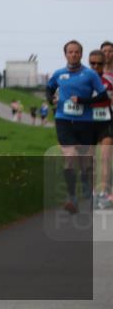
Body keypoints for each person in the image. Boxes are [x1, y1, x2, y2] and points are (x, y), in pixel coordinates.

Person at [46, 40, 109, 213]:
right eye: (70, 52)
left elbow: (103, 97)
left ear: (81, 55)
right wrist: (51, 101)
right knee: (70, 156)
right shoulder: (59, 73)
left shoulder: (90, 75)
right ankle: (72, 197)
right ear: (65, 54)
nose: (73, 55)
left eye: (76, 52)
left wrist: (83, 101)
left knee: (86, 161)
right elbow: (49, 88)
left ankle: (87, 186)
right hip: (63, 120)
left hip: (85, 122)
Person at [88, 48, 113, 209]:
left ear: (104, 65)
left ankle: (103, 192)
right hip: (88, 124)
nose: (96, 66)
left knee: (105, 158)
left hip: (106, 123)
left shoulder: (109, 82)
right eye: (93, 64)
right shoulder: (83, 80)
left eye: (99, 64)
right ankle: (92, 193)